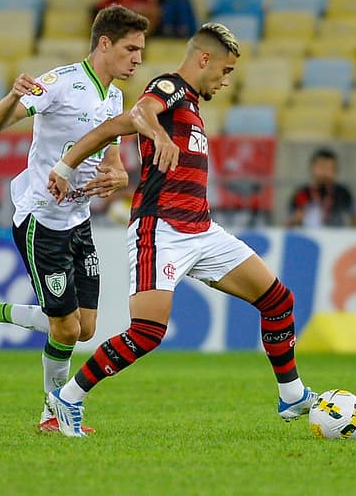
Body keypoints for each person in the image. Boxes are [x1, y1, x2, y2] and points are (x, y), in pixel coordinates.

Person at [45, 23, 316, 437]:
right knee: (147, 332)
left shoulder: (188, 103)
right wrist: (156, 134)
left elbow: (109, 128)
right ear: (203, 59)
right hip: (161, 230)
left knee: (278, 300)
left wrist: (66, 166)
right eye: (224, 71)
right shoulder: (168, 87)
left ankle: (292, 395)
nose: (226, 81)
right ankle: (69, 397)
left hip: (202, 230)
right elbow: (141, 112)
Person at [0, 5, 150, 434]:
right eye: (131, 48)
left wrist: (117, 176)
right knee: (64, 327)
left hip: (79, 219)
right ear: (105, 44)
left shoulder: (117, 97)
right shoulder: (60, 84)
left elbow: (114, 162)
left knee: (85, 328)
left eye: (141, 49)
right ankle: (54, 413)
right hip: (40, 220)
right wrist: (13, 95)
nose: (138, 58)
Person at [286, 147, 356, 228]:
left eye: (329, 168)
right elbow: (288, 224)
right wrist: (295, 220)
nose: (325, 172)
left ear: (335, 170)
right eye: (321, 167)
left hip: (337, 236)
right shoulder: (301, 193)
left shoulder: (343, 193)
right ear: (311, 168)